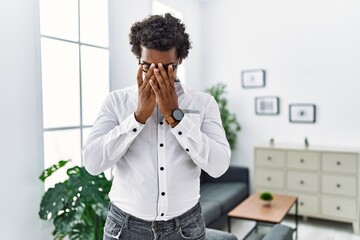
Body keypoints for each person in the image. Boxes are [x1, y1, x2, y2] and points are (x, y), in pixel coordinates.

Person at [82, 13, 233, 240]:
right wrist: (137, 118)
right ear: (138, 58)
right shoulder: (116, 101)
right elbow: (92, 164)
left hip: (186, 227)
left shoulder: (203, 103)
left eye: (166, 67)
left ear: (179, 59)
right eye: (147, 66)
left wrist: (176, 117)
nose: (156, 74)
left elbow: (219, 165)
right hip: (125, 227)